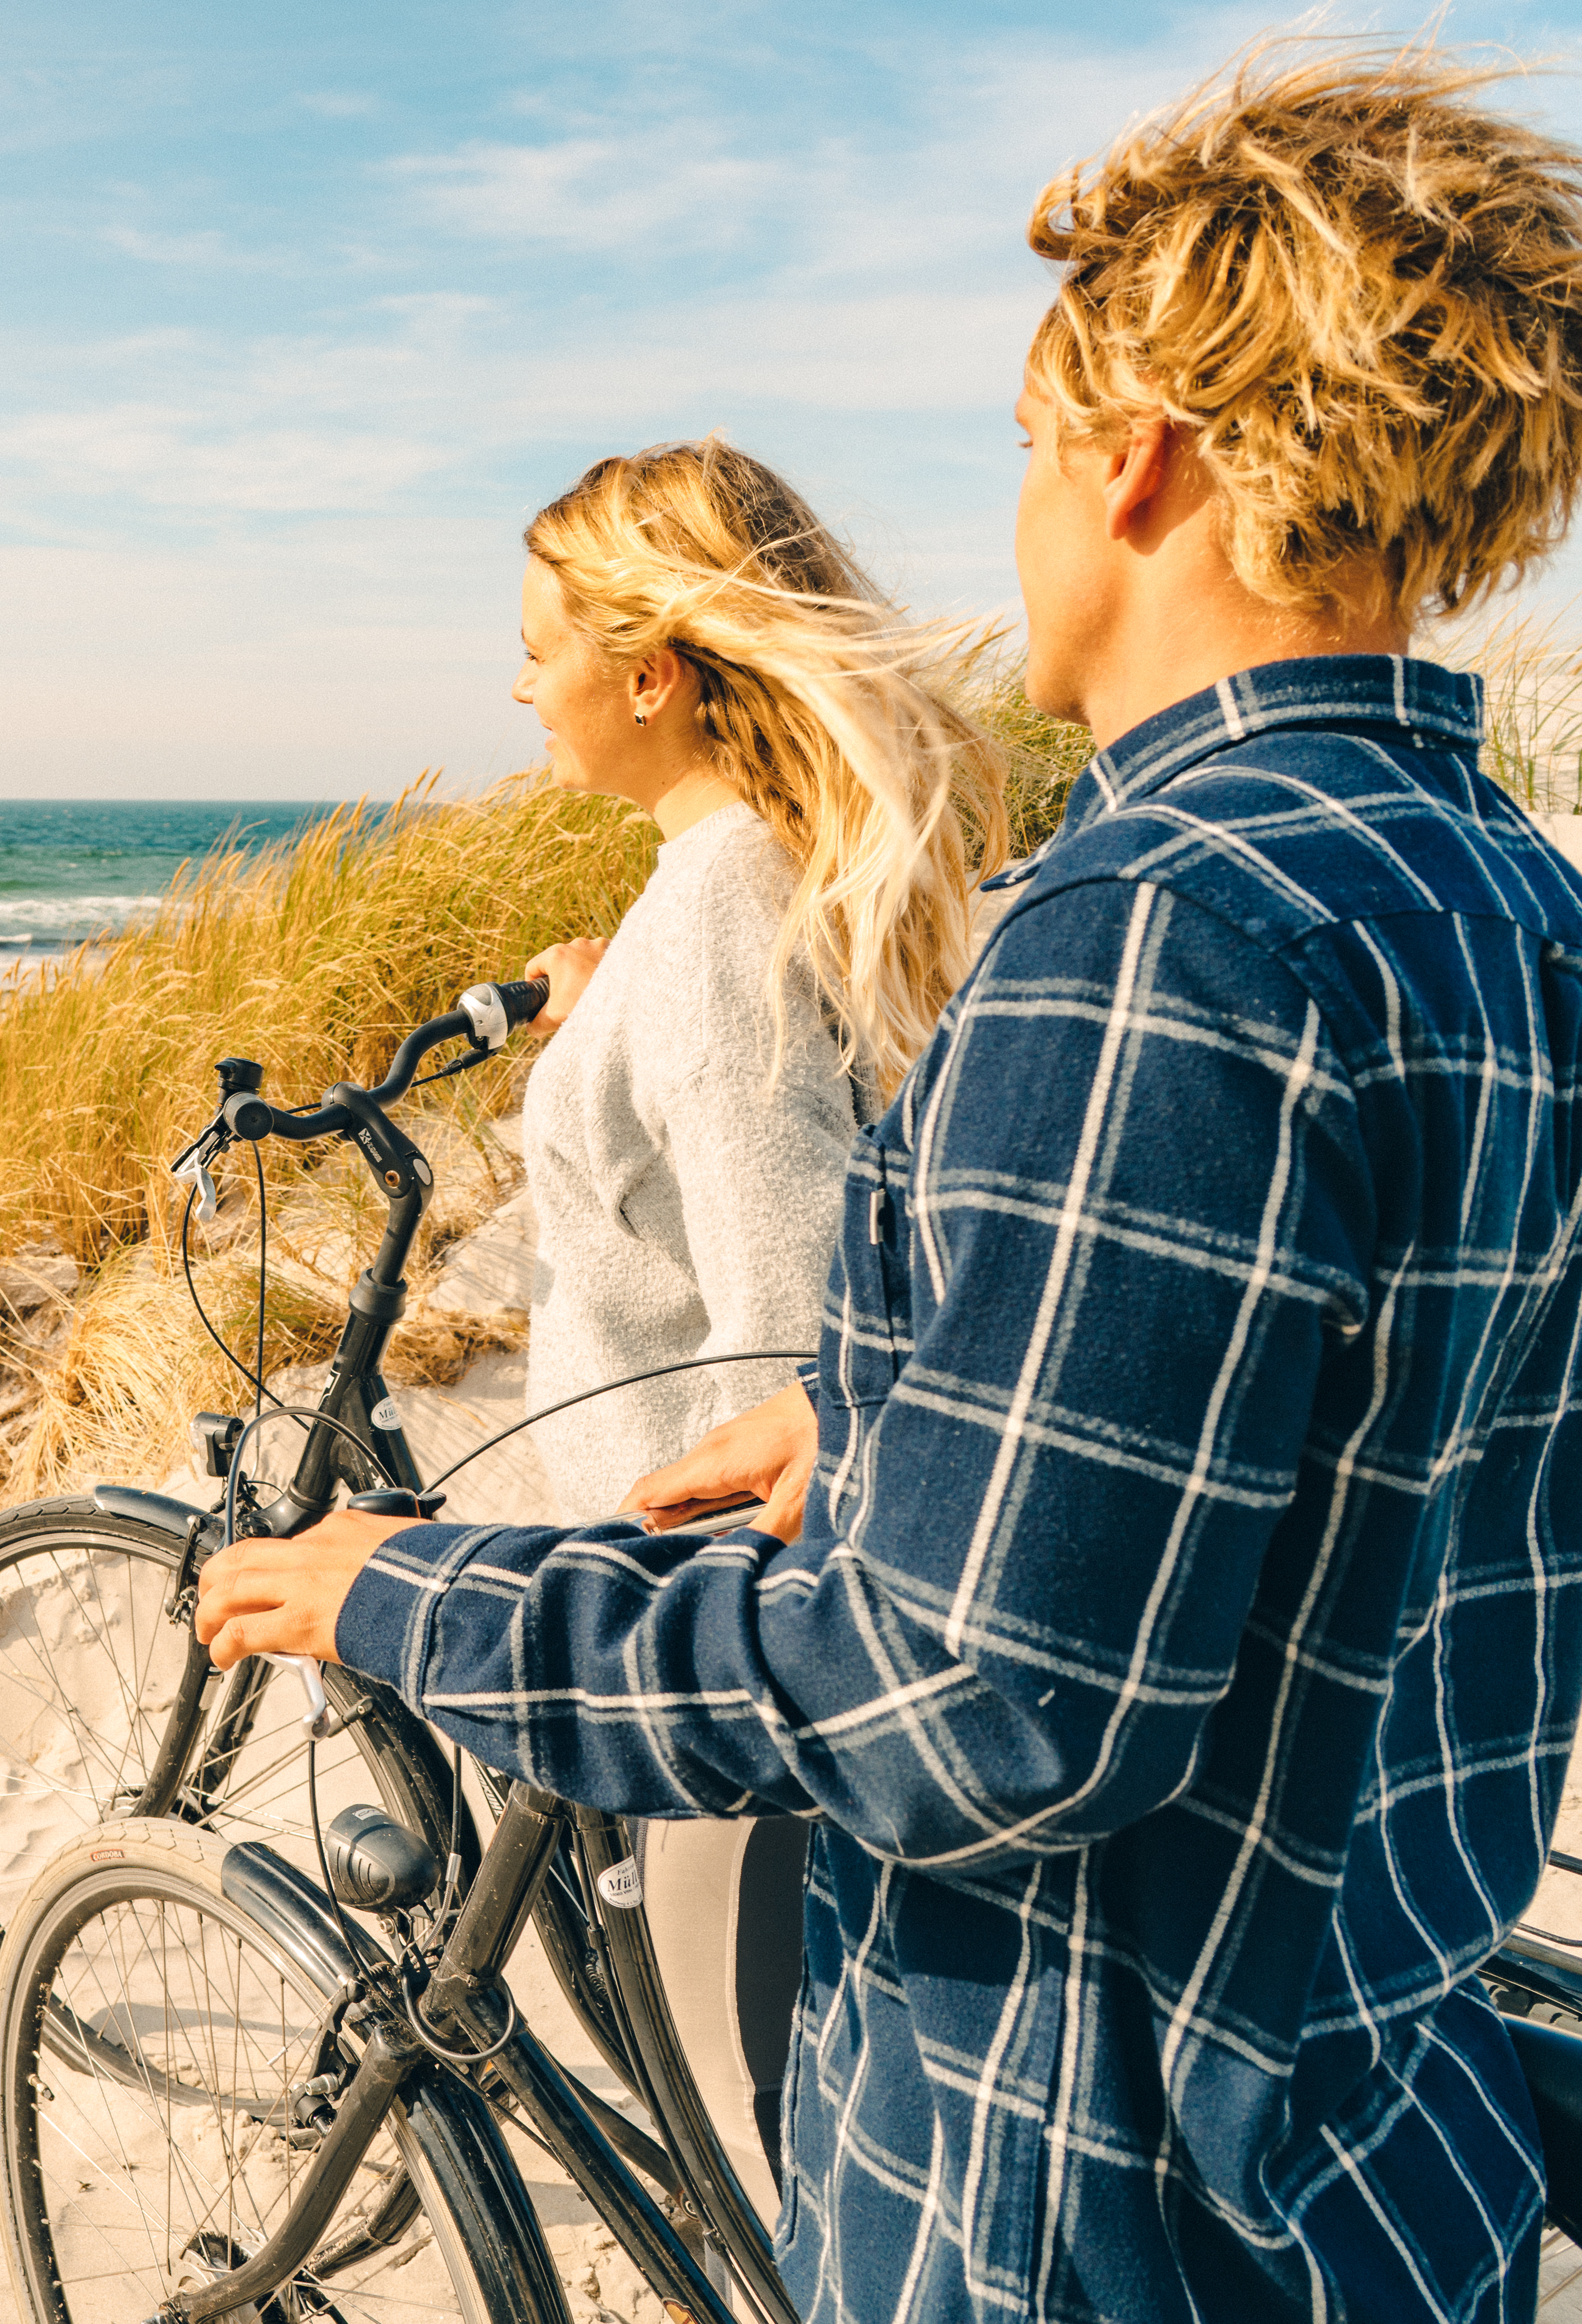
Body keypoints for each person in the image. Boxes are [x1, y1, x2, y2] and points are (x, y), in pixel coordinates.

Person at [200, 44, 1582, 2324]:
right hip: (1364, 2116)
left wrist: (407, 1599)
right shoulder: (1502, 897)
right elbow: (1393, 1416)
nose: (1013, 529)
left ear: (1130, 462)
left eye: (1024, 461)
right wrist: (899, 1420)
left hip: (1082, 2184)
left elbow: (973, 1707)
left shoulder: (1158, 930)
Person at [498, 436, 1002, 2195]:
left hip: (691, 1608)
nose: (520, 681)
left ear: (651, 671)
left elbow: (783, 1331)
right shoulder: (715, 876)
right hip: (670, 1585)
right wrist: (598, 1013)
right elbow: (733, 1087)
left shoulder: (719, 901)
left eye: (543, 643)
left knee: (751, 2157)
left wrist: (722, 1646)